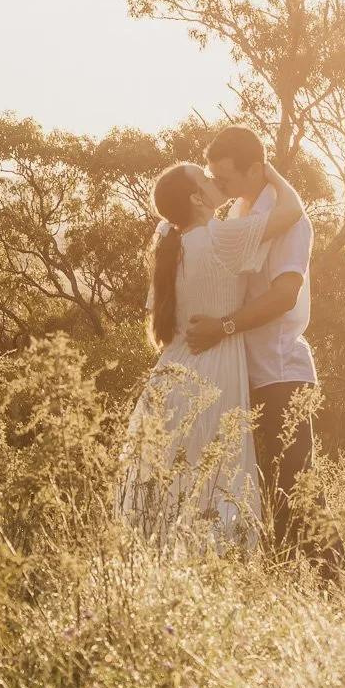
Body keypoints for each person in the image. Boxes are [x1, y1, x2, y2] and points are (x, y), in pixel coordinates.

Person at [117, 159, 305, 548]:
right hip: (213, 370)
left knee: (175, 487)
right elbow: (291, 211)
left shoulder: (173, 246)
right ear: (196, 198)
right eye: (204, 178)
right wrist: (264, 167)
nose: (212, 177)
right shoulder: (220, 237)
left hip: (170, 376)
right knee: (220, 480)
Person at [186, 125, 345, 577]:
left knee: (299, 491)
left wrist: (224, 326)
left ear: (256, 169)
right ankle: (283, 592)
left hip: (281, 372)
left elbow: (284, 296)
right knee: (261, 495)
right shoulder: (238, 210)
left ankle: (336, 588)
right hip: (240, 375)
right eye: (212, 178)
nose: (219, 186)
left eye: (226, 177)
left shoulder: (291, 220)